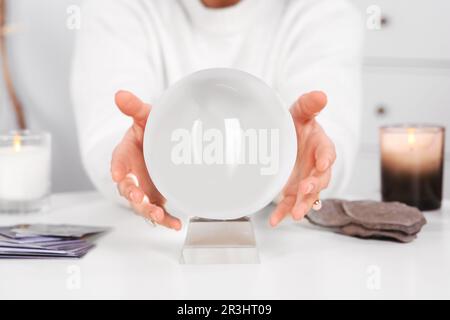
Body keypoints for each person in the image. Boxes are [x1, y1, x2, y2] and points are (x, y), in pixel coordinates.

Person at [71, 0, 362, 230]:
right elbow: (106, 141)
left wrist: (300, 166)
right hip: (152, 252)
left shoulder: (324, 13)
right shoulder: (114, 8)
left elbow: (333, 144)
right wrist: (140, 164)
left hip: (281, 250)